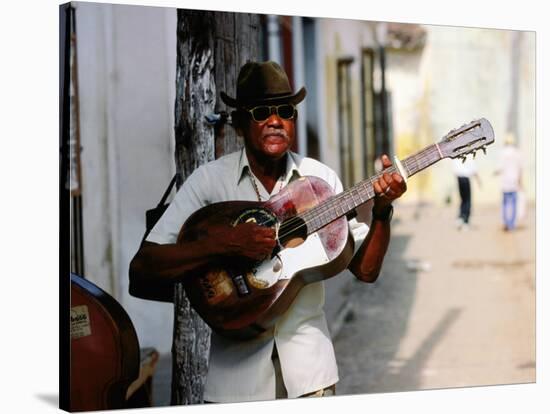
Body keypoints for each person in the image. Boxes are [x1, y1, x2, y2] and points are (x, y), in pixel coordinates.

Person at [129, 61, 406, 403]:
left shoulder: (318, 182)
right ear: (240, 124)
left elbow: (365, 270)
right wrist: (224, 244)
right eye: (261, 112)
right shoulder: (209, 182)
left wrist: (382, 210)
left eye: (285, 111)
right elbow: (144, 264)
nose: (276, 121)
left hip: (311, 378)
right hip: (234, 385)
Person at [495, 133, 523, 231]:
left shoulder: (502, 153)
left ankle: (505, 222)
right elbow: (520, 169)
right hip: (514, 182)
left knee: (505, 203)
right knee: (514, 204)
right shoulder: (517, 153)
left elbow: (499, 168)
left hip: (505, 182)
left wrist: (495, 173)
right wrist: (520, 183)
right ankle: (512, 224)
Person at [452, 157, 481, 230]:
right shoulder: (468, 153)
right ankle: (465, 221)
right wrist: (478, 179)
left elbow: (455, 166)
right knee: (467, 200)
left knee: (463, 199)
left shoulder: (457, 152)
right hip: (465, 177)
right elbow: (473, 167)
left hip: (459, 177)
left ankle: (461, 218)